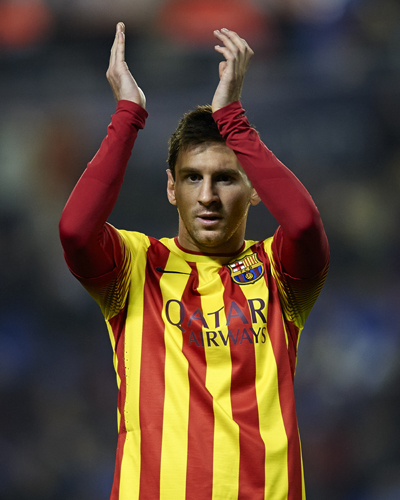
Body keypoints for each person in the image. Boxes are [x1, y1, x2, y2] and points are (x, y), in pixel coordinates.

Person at [59, 22, 329, 500]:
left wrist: (234, 121)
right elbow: (76, 231)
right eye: (191, 178)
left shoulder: (276, 272)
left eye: (225, 178)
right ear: (171, 187)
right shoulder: (137, 266)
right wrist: (128, 114)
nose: (207, 196)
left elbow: (305, 226)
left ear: (254, 190)